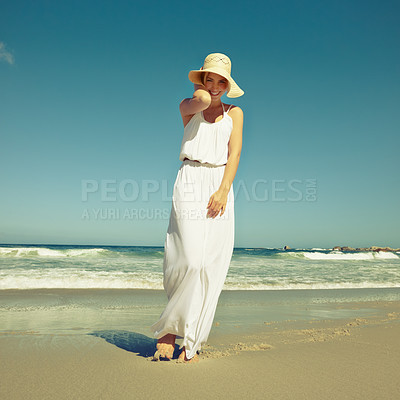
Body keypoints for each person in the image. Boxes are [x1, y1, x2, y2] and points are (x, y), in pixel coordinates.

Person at [150, 53, 244, 363]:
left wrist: (223, 190)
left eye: (222, 81)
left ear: (229, 85)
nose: (215, 86)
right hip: (190, 178)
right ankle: (169, 331)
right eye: (210, 79)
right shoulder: (189, 107)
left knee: (208, 265)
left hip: (220, 182)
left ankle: (192, 339)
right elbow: (200, 101)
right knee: (187, 258)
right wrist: (202, 91)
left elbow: (234, 155)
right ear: (201, 81)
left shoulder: (236, 114)